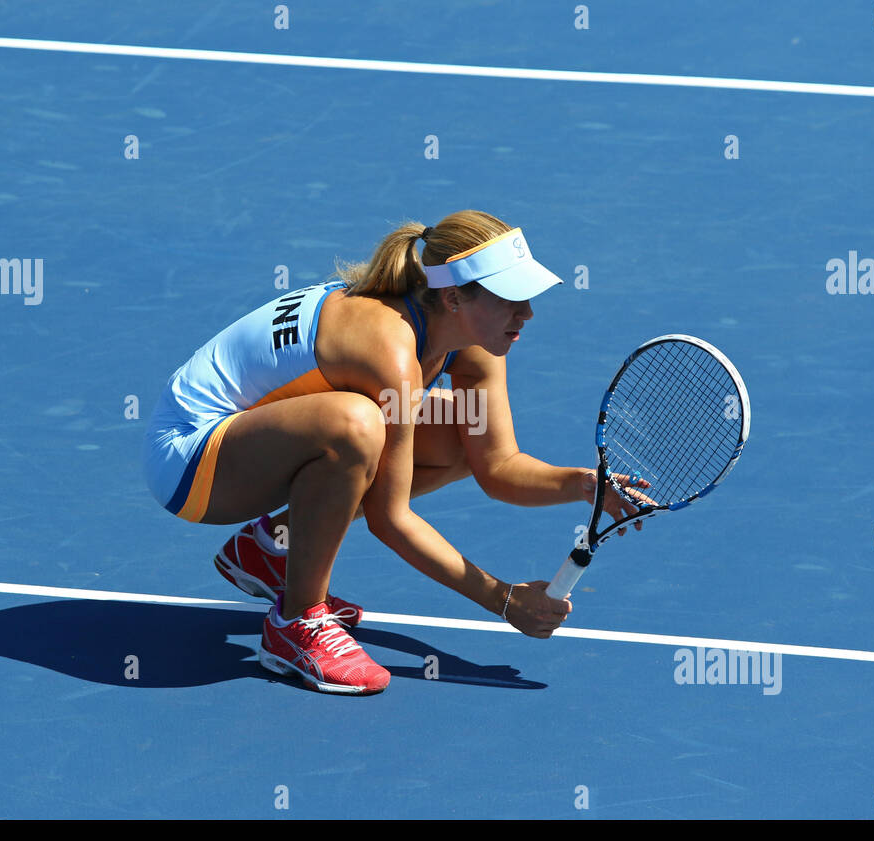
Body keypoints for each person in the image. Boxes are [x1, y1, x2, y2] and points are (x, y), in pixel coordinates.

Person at [142, 210, 642, 695]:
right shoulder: (388, 348)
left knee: (459, 429)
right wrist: (503, 599)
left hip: (255, 442)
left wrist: (582, 484)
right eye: (510, 298)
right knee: (356, 426)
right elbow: (389, 517)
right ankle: (296, 623)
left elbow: (496, 466)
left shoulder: (468, 339)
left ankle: (274, 547)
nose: (527, 313)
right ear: (452, 298)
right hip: (191, 461)